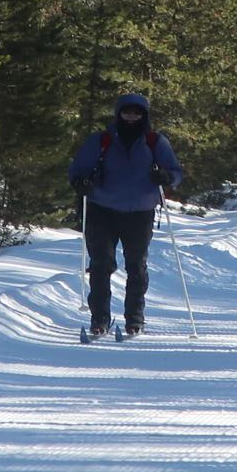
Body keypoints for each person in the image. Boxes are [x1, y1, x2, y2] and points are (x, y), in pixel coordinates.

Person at [67, 93, 184, 337]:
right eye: (127, 112)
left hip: (140, 212)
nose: (132, 117)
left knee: (136, 266)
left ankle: (135, 319)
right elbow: (78, 169)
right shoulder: (102, 140)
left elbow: (176, 171)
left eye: (137, 113)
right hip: (102, 209)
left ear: (144, 115)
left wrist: (166, 177)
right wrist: (81, 182)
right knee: (101, 265)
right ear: (118, 113)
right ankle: (99, 320)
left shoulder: (155, 142)